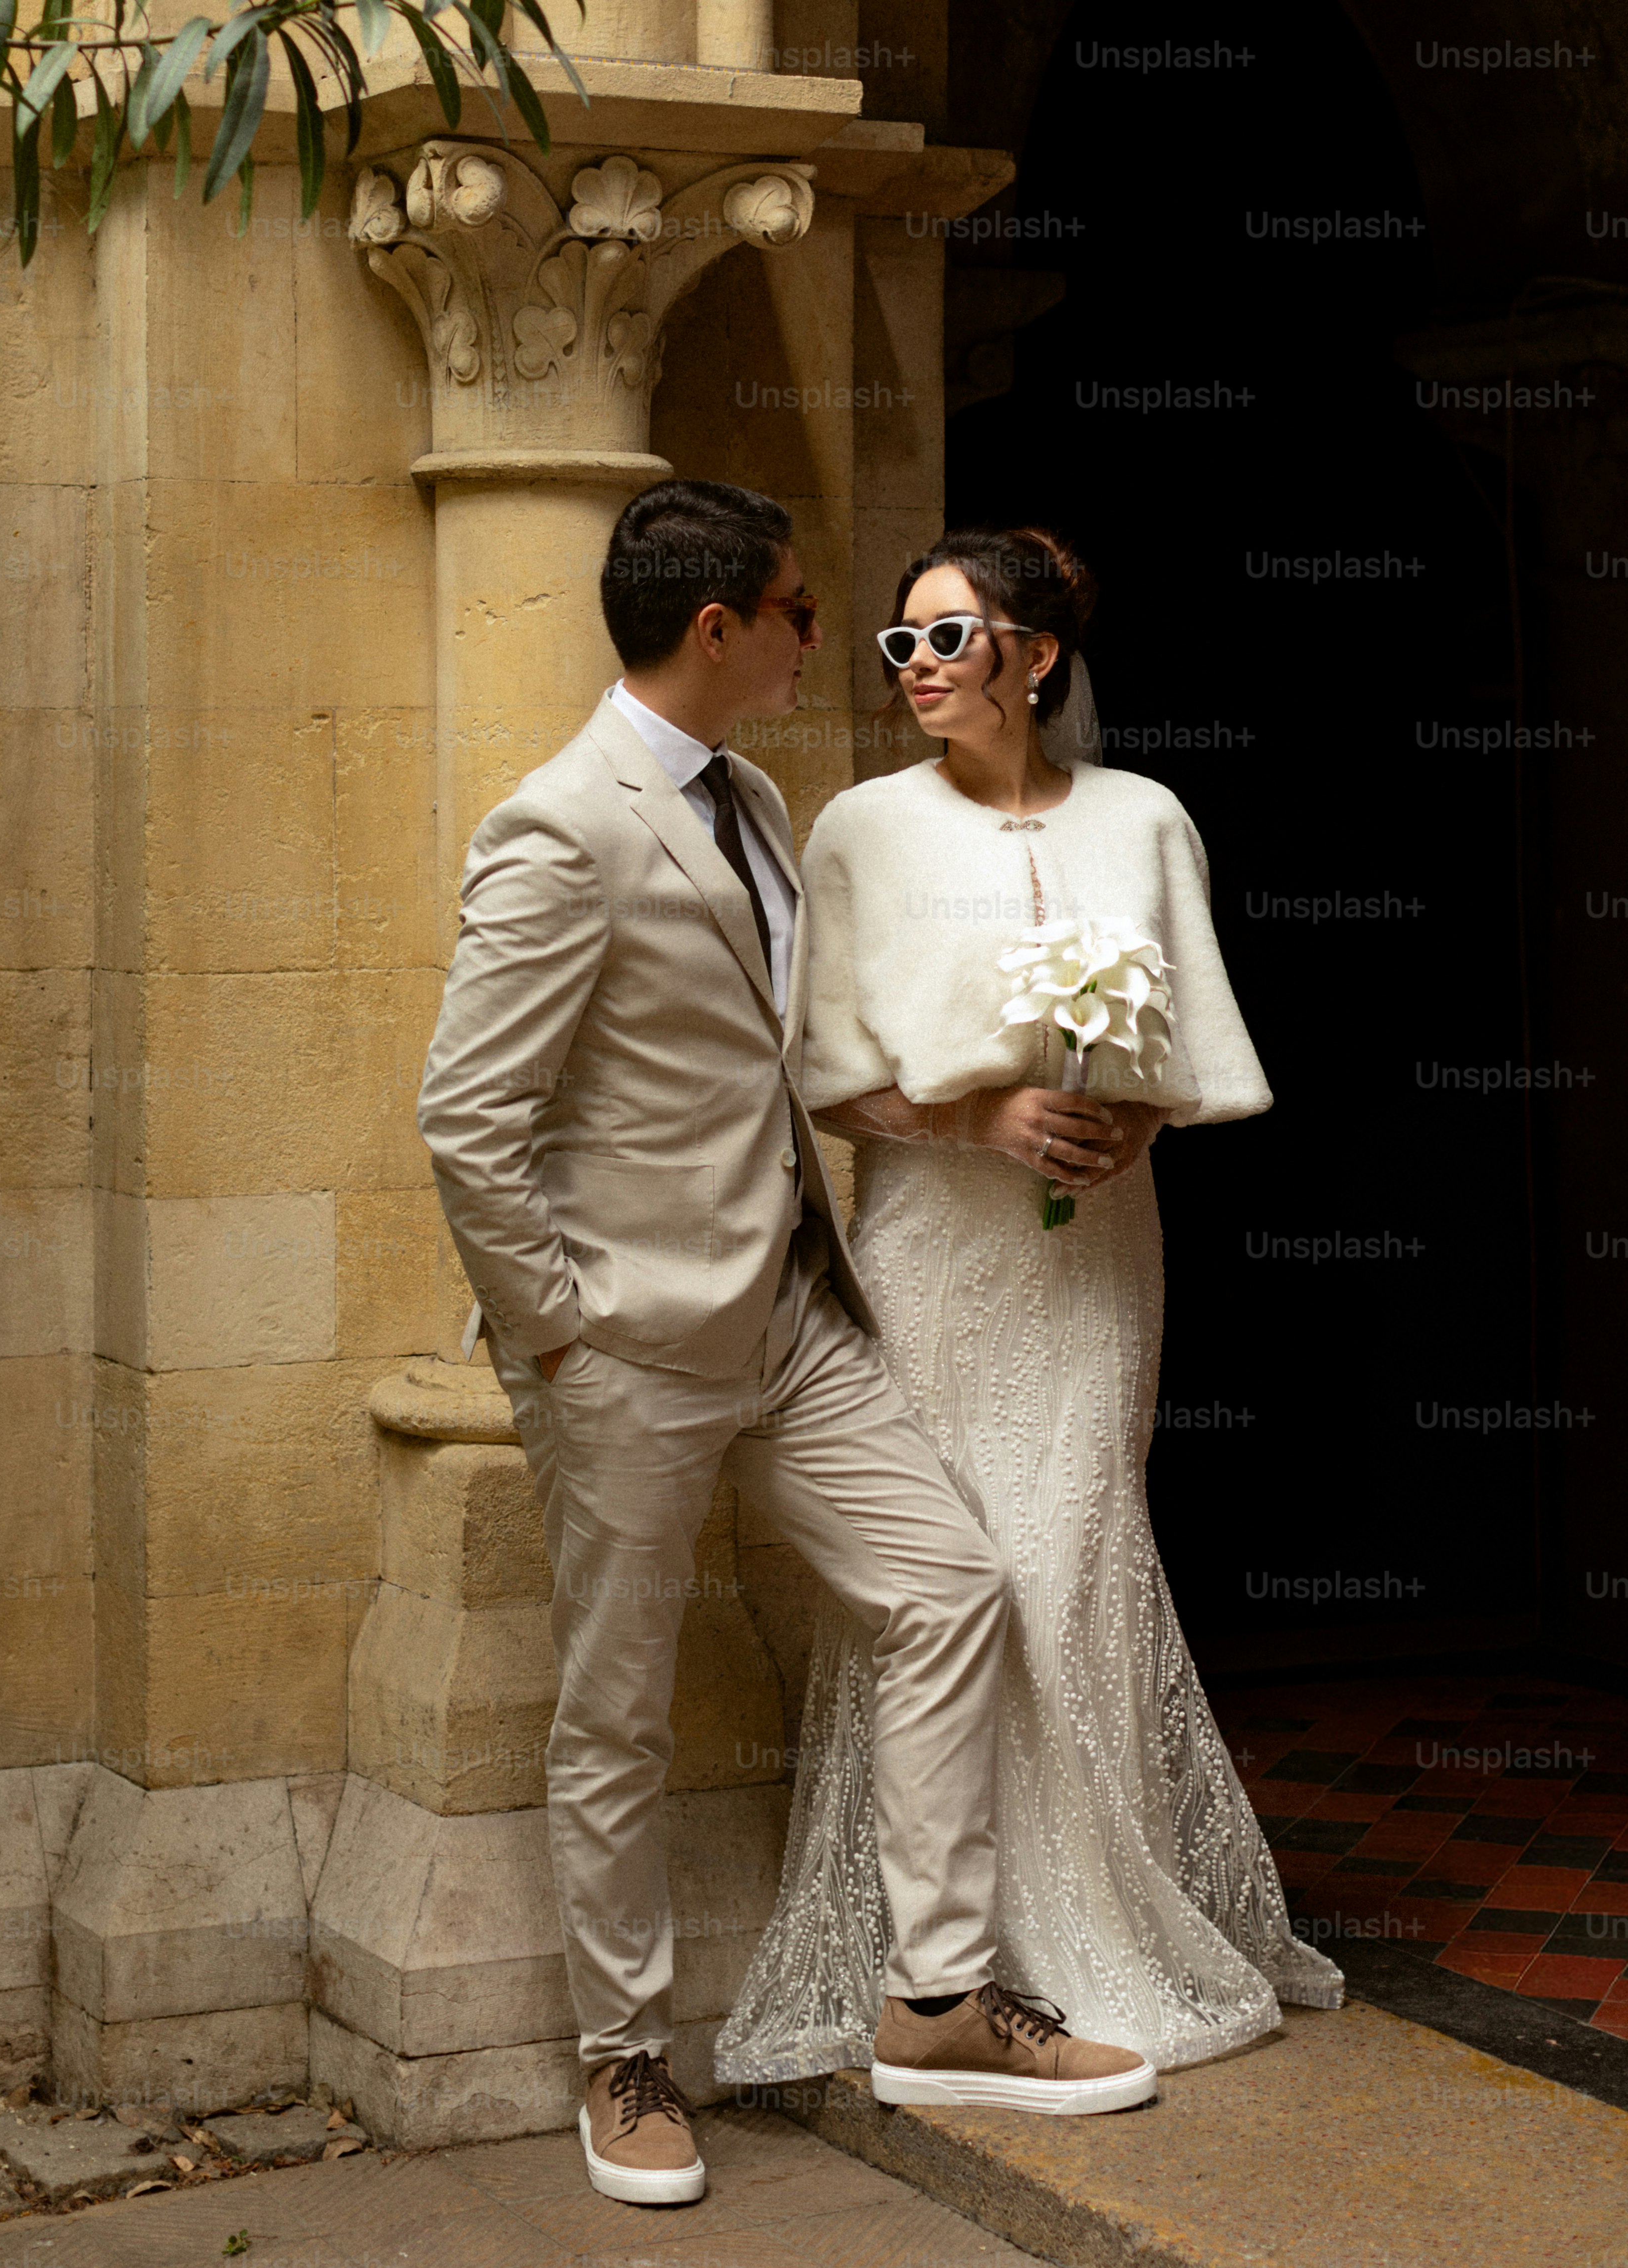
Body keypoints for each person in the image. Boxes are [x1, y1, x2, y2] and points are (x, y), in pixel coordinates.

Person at [416, 481, 1158, 2211]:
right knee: (617, 1712)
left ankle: (937, 1997)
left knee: (948, 1589)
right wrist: (567, 1334)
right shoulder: (561, 826)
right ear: (719, 630)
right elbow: (470, 1120)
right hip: (633, 1349)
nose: (837, 640)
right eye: (807, 611)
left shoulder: (750, 796)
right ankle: (621, 2055)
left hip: (800, 1317)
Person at [716, 526, 1344, 2091]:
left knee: (1075, 1557)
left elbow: (1194, 1042)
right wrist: (982, 1118)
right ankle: (952, 1959)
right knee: (957, 1579)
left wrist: (1133, 1122)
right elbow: (826, 1076)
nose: (918, 668)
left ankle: (1088, 1937)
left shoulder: (1146, 817)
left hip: (1096, 1251)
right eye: (897, 646)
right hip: (937, 1249)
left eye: (949, 639)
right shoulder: (859, 829)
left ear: (1038, 656)